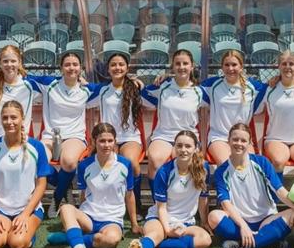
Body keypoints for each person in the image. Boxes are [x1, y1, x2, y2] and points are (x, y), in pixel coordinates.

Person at [45, 123, 140, 248]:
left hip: (111, 220)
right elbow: (84, 194)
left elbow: (130, 195)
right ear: (94, 141)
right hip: (89, 217)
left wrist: (135, 224)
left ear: (115, 141)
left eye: (110, 141)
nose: (106, 145)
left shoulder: (125, 164)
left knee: (111, 241)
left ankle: (71, 238)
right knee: (66, 208)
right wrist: (79, 217)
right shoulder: (84, 165)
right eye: (102, 141)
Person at [125, 130, 211, 248]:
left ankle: (154, 245)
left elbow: (203, 199)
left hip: (186, 221)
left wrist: (204, 221)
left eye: (188, 146)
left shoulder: (203, 168)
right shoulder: (164, 172)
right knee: (155, 234)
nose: (183, 150)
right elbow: (161, 208)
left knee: (204, 240)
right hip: (160, 218)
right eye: (179, 146)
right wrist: (168, 230)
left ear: (195, 148)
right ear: (173, 148)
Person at [207, 123, 294, 248]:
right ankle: (267, 239)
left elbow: (279, 190)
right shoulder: (222, 171)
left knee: (292, 213)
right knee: (213, 217)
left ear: (249, 143)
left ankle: (243, 243)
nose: (239, 143)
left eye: (243, 140)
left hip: (266, 219)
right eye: (235, 139)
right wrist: (243, 226)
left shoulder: (261, 162)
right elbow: (226, 204)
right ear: (228, 141)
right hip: (239, 221)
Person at [26, 51, 98, 216]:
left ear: (80, 68)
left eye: (75, 65)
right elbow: (23, 76)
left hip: (74, 137)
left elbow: (114, 85)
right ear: (60, 68)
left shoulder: (87, 89)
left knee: (69, 162)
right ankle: (65, 187)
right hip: (50, 136)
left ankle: (57, 198)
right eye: (67, 64)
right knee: (34, 159)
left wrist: (136, 81)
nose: (71, 68)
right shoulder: (49, 84)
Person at [0, 100, 51, 248]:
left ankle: (22, 230)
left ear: (22, 118)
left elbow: (41, 184)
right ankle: (6, 228)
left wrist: (25, 214)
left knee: (17, 244)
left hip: (27, 209)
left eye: (14, 117)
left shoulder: (36, 147)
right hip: (0, 209)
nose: (9, 122)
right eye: (5, 118)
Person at [142, 49, 204, 191]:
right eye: (178, 64)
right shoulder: (162, 87)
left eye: (185, 63)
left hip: (187, 136)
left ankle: (182, 204)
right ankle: (157, 201)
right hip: (163, 135)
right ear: (172, 67)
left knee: (185, 163)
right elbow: (141, 93)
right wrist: (135, 81)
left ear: (191, 66)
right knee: (155, 161)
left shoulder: (199, 92)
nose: (181, 67)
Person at [201, 50, 266, 165]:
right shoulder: (212, 85)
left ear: (241, 67)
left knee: (250, 165)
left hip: (242, 138)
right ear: (222, 67)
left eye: (234, 65)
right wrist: (166, 77)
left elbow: (277, 86)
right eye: (227, 65)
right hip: (219, 137)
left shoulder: (253, 88)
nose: (230, 68)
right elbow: (186, 87)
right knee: (228, 165)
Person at [88, 51, 143, 178]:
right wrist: (80, 82)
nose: (117, 68)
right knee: (102, 164)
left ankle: (135, 197)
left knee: (132, 164)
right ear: (108, 69)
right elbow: (84, 100)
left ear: (127, 68)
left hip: (130, 138)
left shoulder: (136, 88)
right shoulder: (102, 90)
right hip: (108, 138)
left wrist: (165, 77)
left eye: (121, 65)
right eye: (113, 65)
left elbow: (155, 99)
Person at [0, 45, 38, 159]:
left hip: (17, 138)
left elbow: (59, 82)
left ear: (19, 62)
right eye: (5, 61)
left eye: (13, 61)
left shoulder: (30, 84)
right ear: (0, 63)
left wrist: (81, 81)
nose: (9, 65)